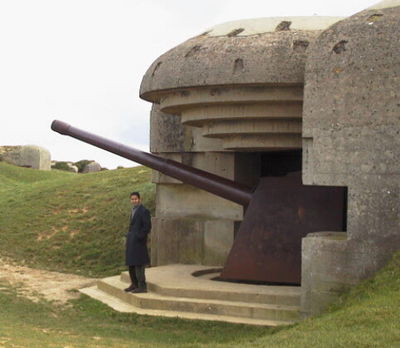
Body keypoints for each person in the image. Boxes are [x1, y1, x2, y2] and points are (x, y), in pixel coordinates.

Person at [124, 191, 151, 293]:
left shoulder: (144, 211)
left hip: (139, 242)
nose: (134, 201)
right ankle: (134, 284)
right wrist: (129, 236)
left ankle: (142, 286)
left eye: (135, 199)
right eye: (132, 199)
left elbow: (147, 226)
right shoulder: (133, 210)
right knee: (131, 264)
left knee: (139, 264)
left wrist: (139, 237)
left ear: (139, 199)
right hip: (131, 241)